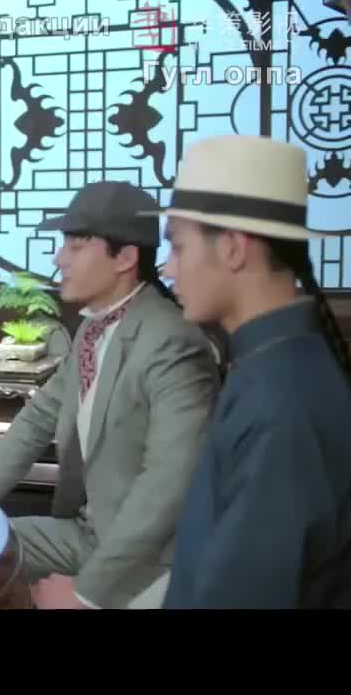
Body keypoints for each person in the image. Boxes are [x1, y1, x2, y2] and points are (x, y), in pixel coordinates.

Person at [0, 181, 220, 609]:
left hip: (153, 563)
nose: (58, 258)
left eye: (76, 244)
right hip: (89, 533)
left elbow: (168, 482)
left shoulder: (171, 340)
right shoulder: (92, 328)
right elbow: (36, 420)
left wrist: (85, 594)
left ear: (125, 258)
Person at [155, 135, 351, 608]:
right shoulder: (277, 366)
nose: (167, 268)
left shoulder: (280, 403)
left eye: (178, 247)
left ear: (233, 248)